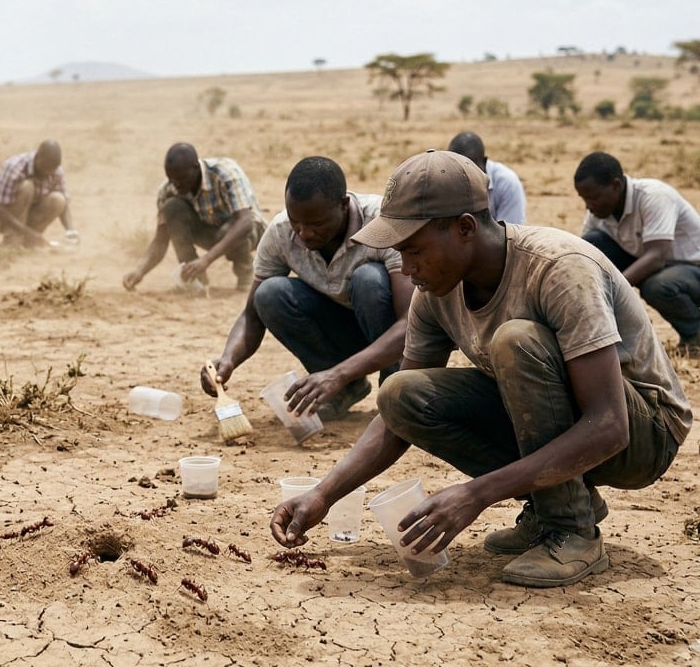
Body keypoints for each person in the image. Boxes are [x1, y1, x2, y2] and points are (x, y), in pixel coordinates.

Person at [270, 149, 689, 587]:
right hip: (578, 423)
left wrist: (476, 495)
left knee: (516, 341)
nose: (407, 269)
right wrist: (323, 494)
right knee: (400, 393)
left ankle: (571, 529)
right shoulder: (434, 290)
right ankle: (555, 503)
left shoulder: (558, 269)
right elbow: (395, 419)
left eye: (414, 251)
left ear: (465, 228)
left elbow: (609, 426)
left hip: (644, 433)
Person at [203, 156, 413, 421]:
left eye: (316, 224)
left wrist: (339, 373)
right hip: (342, 331)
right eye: (296, 222)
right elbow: (251, 316)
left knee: (368, 279)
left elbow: (409, 324)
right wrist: (228, 360)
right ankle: (344, 389)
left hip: (388, 333)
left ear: (344, 205)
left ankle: (394, 387)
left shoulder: (382, 224)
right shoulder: (280, 232)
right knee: (269, 294)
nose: (304, 233)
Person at [574, 151, 700, 355]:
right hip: (650, 263)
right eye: (584, 199)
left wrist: (612, 291)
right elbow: (584, 253)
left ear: (616, 185)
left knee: (658, 286)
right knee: (592, 246)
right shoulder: (599, 212)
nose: (589, 205)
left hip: (690, 268)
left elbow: (657, 256)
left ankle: (695, 334)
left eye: (594, 197)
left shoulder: (654, 196)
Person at [123, 143, 266, 292]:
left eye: (182, 178)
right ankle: (195, 279)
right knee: (171, 207)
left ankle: (246, 277)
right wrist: (140, 271)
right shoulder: (167, 190)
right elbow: (160, 240)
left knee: (231, 229)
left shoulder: (225, 172)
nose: (177, 184)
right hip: (211, 233)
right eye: (172, 179)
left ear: (196, 167)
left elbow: (245, 222)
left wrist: (206, 259)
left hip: (249, 232)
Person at [0, 140, 77, 248]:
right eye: (45, 168)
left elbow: (64, 206)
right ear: (37, 157)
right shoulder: (14, 168)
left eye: (52, 170)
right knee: (27, 186)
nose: (48, 173)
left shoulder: (56, 171)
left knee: (59, 200)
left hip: (26, 219)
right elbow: (0, 210)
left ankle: (28, 242)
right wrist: (28, 231)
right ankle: (12, 241)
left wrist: (71, 231)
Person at [447, 132, 527, 224]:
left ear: (484, 162)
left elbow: (511, 234)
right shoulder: (443, 180)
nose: (465, 176)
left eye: (471, 167)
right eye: (458, 169)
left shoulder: (507, 183)